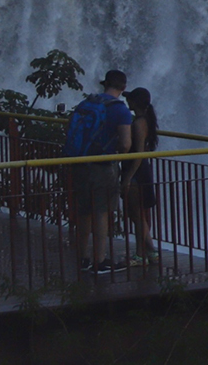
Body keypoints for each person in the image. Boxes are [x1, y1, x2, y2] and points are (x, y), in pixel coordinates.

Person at [68, 69, 133, 275]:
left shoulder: (87, 102)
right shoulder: (120, 110)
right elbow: (125, 144)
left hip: (79, 162)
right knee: (102, 211)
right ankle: (99, 260)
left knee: (84, 211)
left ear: (104, 84)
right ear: (123, 88)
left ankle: (81, 258)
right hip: (102, 165)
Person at [121, 87, 159, 262]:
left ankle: (143, 253)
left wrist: (128, 177)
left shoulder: (138, 124)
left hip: (136, 171)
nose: (127, 102)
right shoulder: (146, 120)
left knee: (136, 214)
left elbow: (138, 154)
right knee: (137, 214)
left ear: (135, 102)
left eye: (130, 99)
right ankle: (148, 252)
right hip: (142, 169)